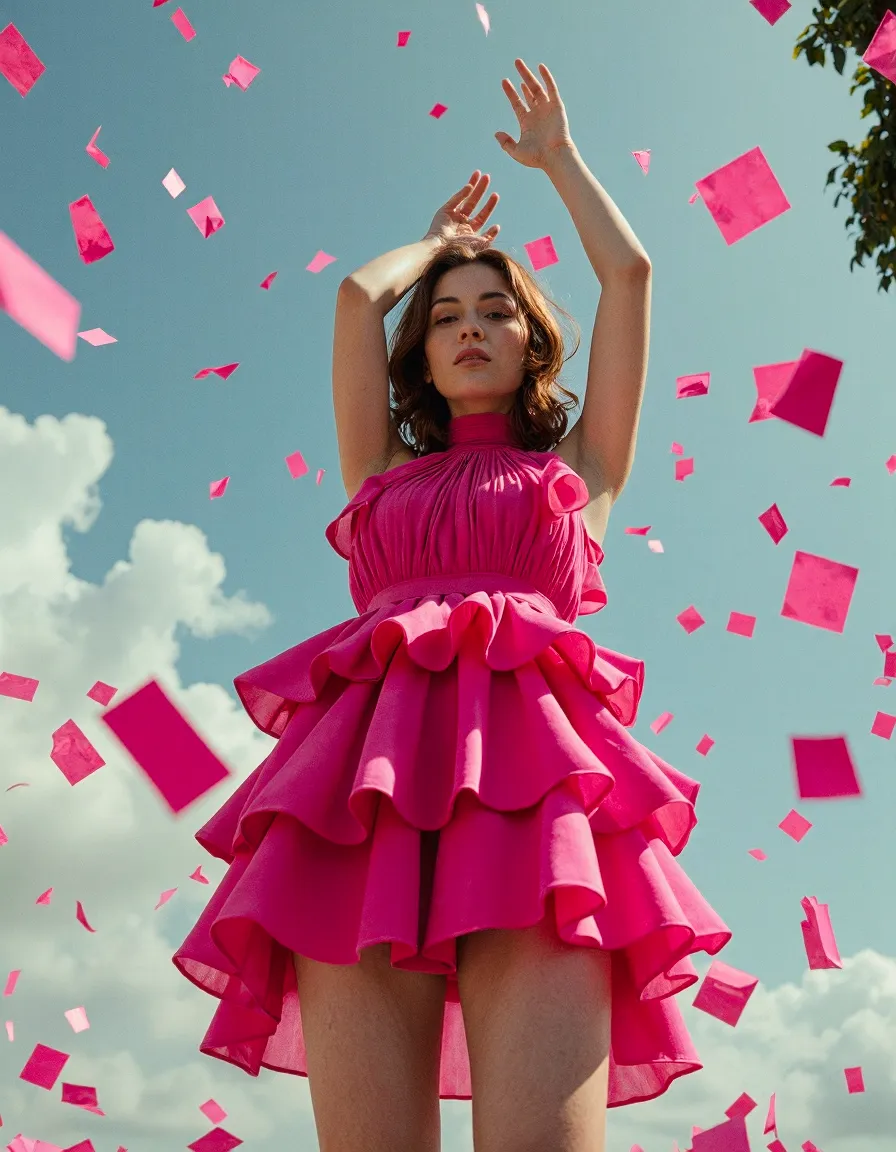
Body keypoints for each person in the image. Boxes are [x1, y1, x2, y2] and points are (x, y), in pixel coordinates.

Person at [173, 59, 731, 1152]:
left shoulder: (580, 471)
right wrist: (437, 244)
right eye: (443, 318)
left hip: (533, 812)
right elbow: (351, 298)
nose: (468, 327)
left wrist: (558, 163)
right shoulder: (376, 471)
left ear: (529, 339)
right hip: (361, 809)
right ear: (420, 353)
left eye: (493, 311)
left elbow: (629, 275)